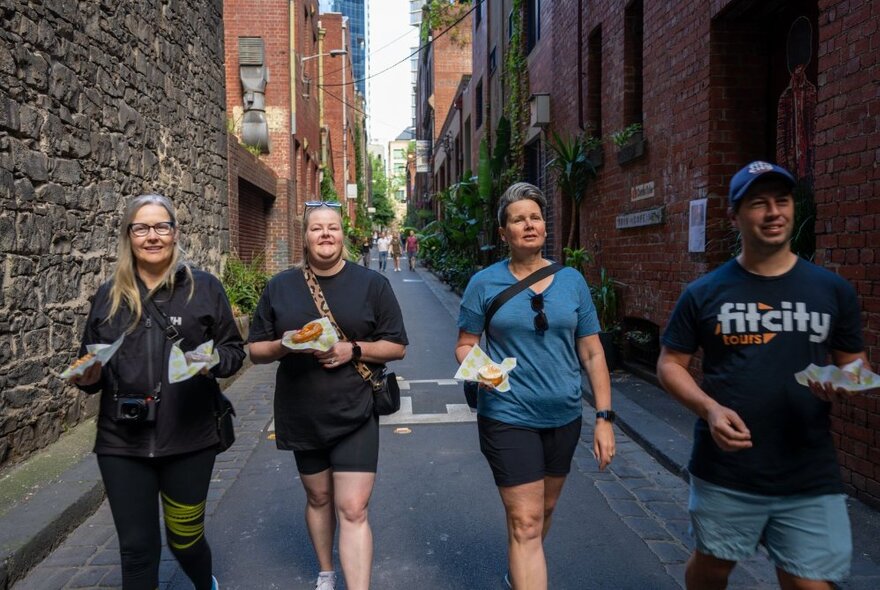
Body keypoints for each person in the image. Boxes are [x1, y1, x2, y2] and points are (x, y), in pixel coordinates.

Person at [657, 161, 875, 590]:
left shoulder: (832, 290)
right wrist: (710, 409)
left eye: (783, 200)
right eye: (759, 203)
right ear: (734, 215)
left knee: (808, 583)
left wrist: (845, 380)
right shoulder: (705, 292)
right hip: (727, 468)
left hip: (808, 467)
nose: (774, 212)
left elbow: (858, 366)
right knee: (712, 569)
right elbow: (669, 364)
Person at [69, 194, 245, 590]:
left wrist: (212, 361)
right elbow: (90, 365)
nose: (153, 236)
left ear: (174, 233)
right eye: (142, 228)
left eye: (161, 226)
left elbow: (235, 350)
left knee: (185, 541)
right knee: (136, 549)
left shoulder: (204, 289)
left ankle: (206, 585)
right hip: (121, 443)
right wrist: (85, 376)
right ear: (128, 236)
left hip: (189, 439)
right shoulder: (108, 296)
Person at [454, 182, 615, 590]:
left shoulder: (572, 282)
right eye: (518, 219)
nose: (529, 224)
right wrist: (483, 370)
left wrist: (603, 417)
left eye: (535, 217)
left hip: (563, 414)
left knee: (543, 511)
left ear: (545, 226)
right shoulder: (484, 283)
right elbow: (464, 345)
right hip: (507, 414)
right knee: (526, 523)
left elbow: (593, 353)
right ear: (504, 232)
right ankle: (524, 564)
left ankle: (518, 570)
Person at [248, 201, 408, 590]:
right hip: (302, 410)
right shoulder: (280, 287)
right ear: (305, 236)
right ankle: (325, 571)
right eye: (316, 228)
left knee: (353, 507)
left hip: (355, 408)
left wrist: (352, 349)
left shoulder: (372, 285)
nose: (325, 234)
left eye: (332, 228)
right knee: (319, 498)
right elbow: (255, 350)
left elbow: (397, 345)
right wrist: (287, 345)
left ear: (342, 235)